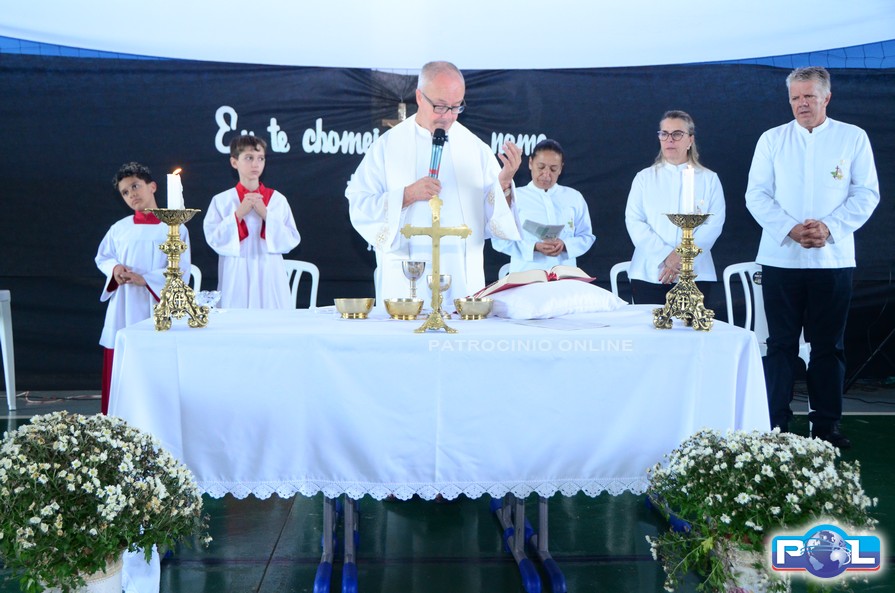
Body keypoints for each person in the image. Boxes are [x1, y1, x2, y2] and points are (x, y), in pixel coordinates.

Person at [746, 66, 879, 448]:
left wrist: (829, 228)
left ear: (826, 98)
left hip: (833, 260)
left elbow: (866, 193)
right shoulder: (772, 139)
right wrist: (790, 228)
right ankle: (775, 424)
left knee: (828, 346)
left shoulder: (852, 137)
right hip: (781, 259)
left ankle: (826, 426)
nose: (802, 104)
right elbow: (756, 194)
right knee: (780, 345)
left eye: (809, 96)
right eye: (795, 98)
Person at [346, 60, 522, 305]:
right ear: (419, 97)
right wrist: (406, 195)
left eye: (456, 107)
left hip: (460, 279)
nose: (448, 116)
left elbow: (494, 221)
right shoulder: (387, 147)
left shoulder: (474, 148)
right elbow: (360, 204)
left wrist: (503, 185)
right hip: (406, 281)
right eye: (440, 106)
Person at [96, 162, 190, 414]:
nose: (132, 195)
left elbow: (181, 269)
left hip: (156, 306)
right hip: (124, 305)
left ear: (153, 186)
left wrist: (147, 279)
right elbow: (103, 257)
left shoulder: (174, 227)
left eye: (135, 186)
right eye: (125, 192)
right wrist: (115, 269)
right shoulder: (119, 229)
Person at [624, 110, 725, 305]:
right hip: (650, 272)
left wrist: (682, 257)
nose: (670, 139)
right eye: (664, 134)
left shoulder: (709, 179)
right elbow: (634, 221)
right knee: (650, 324)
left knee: (692, 324)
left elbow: (713, 225)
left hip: (696, 273)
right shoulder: (644, 178)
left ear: (690, 140)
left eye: (677, 134)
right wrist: (665, 256)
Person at [204, 135, 301, 308]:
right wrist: (238, 215)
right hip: (236, 272)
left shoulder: (277, 200)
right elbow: (214, 239)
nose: (256, 164)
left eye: (260, 158)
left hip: (270, 273)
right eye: (249, 158)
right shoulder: (222, 201)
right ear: (234, 162)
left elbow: (291, 239)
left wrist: (266, 214)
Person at [492, 139, 595, 273]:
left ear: (561, 168)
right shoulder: (515, 196)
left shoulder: (574, 197)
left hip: (565, 276)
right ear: (530, 163)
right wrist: (534, 247)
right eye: (541, 167)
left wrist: (565, 245)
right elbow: (499, 240)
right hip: (526, 276)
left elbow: (586, 236)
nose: (546, 174)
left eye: (553, 169)